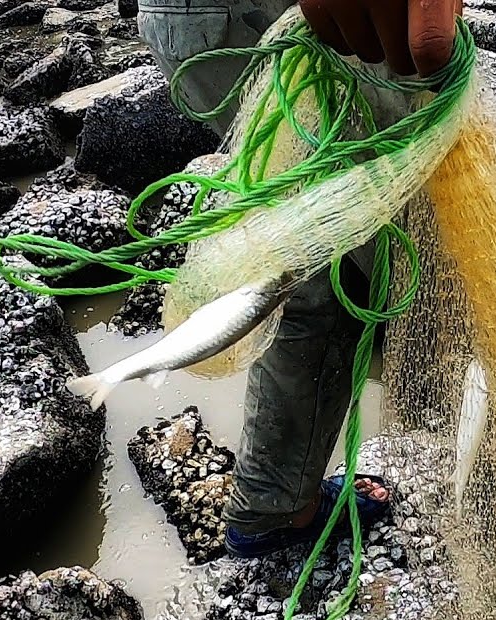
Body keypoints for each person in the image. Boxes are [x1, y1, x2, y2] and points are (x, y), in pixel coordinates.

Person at [132, 0, 464, 558]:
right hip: (298, 18)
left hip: (186, 21)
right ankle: (276, 506)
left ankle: (278, 495)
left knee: (299, 237)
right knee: (332, 263)